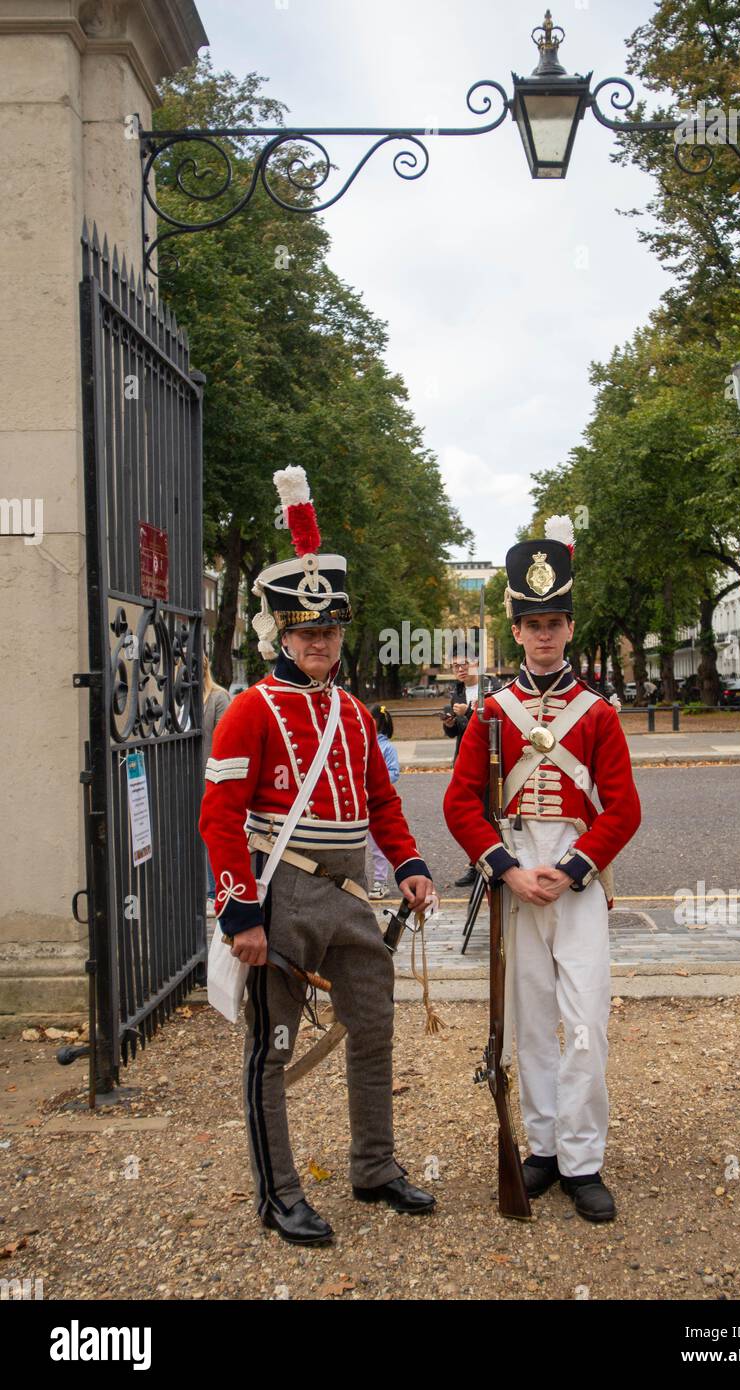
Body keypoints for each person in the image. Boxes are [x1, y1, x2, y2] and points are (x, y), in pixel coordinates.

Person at [200, 467, 437, 1247]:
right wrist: (240, 912)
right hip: (281, 896)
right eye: (306, 634)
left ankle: (373, 1167)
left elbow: (380, 804)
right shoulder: (248, 711)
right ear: (279, 634)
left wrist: (406, 865)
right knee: (271, 1050)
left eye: (329, 633)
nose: (319, 645)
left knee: (373, 1029)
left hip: (353, 896)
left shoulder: (354, 713)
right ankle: (280, 1194)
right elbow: (219, 816)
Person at [443, 516, 641, 1222]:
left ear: (568, 626)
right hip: (516, 879)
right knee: (530, 1025)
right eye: (533, 624)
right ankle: (546, 1148)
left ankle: (586, 1159)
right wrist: (503, 868)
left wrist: (575, 867)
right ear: (517, 630)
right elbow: (460, 802)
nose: (545, 635)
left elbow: (623, 809)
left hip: (576, 881)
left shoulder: (598, 714)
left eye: (555, 621)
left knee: (585, 1020)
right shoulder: (491, 711)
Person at [442, 655, 500, 888]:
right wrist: (450, 724)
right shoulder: (456, 692)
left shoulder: (492, 687)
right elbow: (457, 732)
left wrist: (467, 713)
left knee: (491, 812)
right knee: (468, 814)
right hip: (465, 760)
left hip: (491, 760)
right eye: (455, 666)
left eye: (464, 664)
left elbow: (491, 724)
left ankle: (493, 861)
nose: (460, 669)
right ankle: (474, 864)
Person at [202, 652, 230, 916]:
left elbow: (224, 743)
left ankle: (213, 891)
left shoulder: (218, 698)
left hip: (208, 778)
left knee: (211, 837)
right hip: (179, 777)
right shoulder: (171, 699)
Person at [367, 703, 399, 899]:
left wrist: (374, 779)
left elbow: (393, 773)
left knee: (378, 845)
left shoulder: (387, 747)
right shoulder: (362, 742)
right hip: (359, 803)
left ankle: (381, 881)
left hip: (377, 803)